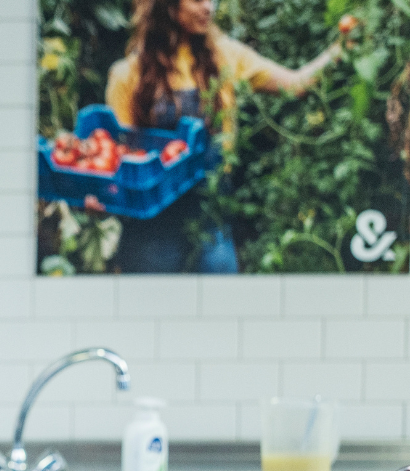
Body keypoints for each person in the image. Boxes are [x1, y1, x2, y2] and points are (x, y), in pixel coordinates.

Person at [97, 0, 342, 273]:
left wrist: (341, 49)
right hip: (151, 232)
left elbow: (295, 84)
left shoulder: (224, 56)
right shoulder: (127, 75)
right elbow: (114, 163)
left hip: (211, 220)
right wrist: (100, 199)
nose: (209, 7)